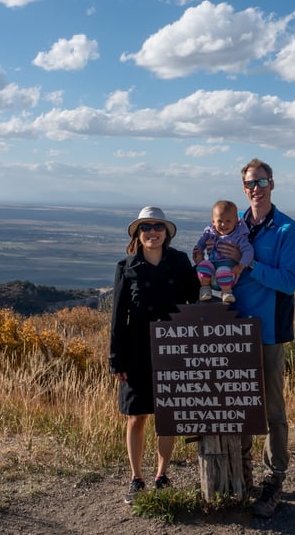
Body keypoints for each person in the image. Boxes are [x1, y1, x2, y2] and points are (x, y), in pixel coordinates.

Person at [214, 158, 295, 518]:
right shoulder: (236, 225)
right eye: (250, 183)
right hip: (235, 329)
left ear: (272, 184)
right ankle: (244, 472)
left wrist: (248, 264)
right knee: (240, 403)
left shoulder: (286, 229)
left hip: (268, 330)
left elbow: (288, 281)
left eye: (262, 182)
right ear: (244, 188)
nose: (256, 188)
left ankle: (274, 478)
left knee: (272, 409)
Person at [109, 206, 200, 504]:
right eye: (146, 227)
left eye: (157, 226)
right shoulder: (127, 267)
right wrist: (116, 359)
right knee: (136, 416)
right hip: (136, 349)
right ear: (138, 233)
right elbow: (118, 316)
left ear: (166, 232)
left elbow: (195, 300)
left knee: (168, 414)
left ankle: (162, 475)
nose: (152, 232)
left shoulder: (179, 262)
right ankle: (136, 478)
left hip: (173, 347)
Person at [192, 199, 254, 304]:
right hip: (212, 274)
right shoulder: (210, 234)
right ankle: (205, 289)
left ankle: (226, 293)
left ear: (236, 221)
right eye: (220, 221)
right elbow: (200, 243)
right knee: (203, 266)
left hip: (229, 275)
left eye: (228, 221)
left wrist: (241, 266)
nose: (223, 225)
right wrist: (198, 253)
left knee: (223, 270)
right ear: (213, 221)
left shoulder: (238, 237)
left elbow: (248, 251)